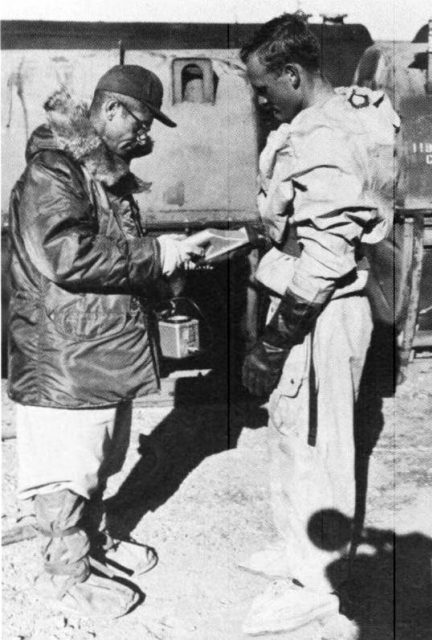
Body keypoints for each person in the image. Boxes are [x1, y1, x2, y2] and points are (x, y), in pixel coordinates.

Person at [7, 65, 208, 618]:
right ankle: (64, 573)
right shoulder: (54, 171)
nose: (144, 138)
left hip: (95, 348)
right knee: (66, 469)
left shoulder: (99, 173)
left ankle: (91, 546)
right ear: (110, 110)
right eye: (140, 123)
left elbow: (111, 252)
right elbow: (66, 254)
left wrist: (167, 262)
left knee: (98, 460)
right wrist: (155, 255)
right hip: (64, 357)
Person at [239, 14, 400, 635]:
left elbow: (328, 256)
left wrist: (273, 343)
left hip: (322, 310)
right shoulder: (352, 113)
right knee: (292, 430)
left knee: (319, 445)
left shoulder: (321, 134)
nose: (260, 98)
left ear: (293, 74)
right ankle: (296, 546)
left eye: (264, 86)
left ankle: (319, 583)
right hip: (318, 301)